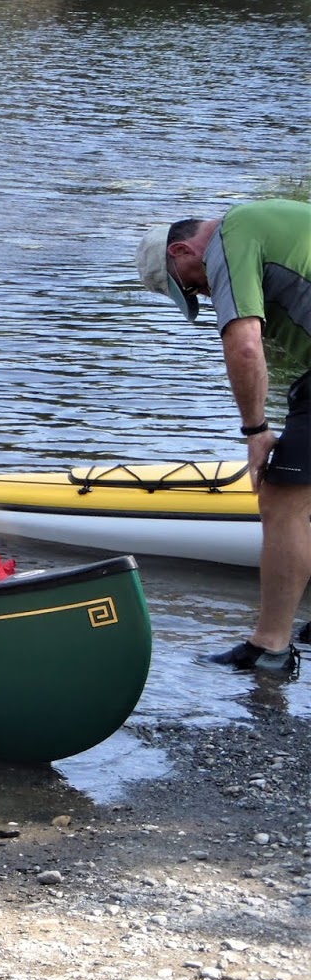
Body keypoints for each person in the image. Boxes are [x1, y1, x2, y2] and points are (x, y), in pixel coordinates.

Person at [136, 197, 311, 675]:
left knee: (281, 497)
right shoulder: (272, 224)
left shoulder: (230, 238)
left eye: (191, 286)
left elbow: (245, 343)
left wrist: (255, 431)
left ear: (183, 252)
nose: (205, 294)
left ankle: (269, 649)